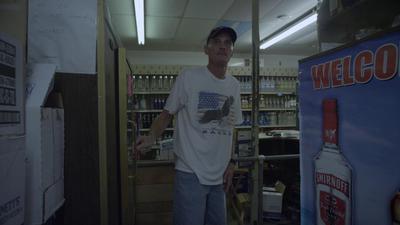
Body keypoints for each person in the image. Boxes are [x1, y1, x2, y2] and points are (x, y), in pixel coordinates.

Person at [135, 26, 243, 225]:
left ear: (232, 50)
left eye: (228, 42)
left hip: (219, 176)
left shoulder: (234, 86)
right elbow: (166, 114)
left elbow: (231, 127)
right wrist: (150, 137)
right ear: (206, 49)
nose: (222, 46)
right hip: (190, 171)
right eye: (217, 42)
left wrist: (232, 161)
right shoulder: (189, 78)